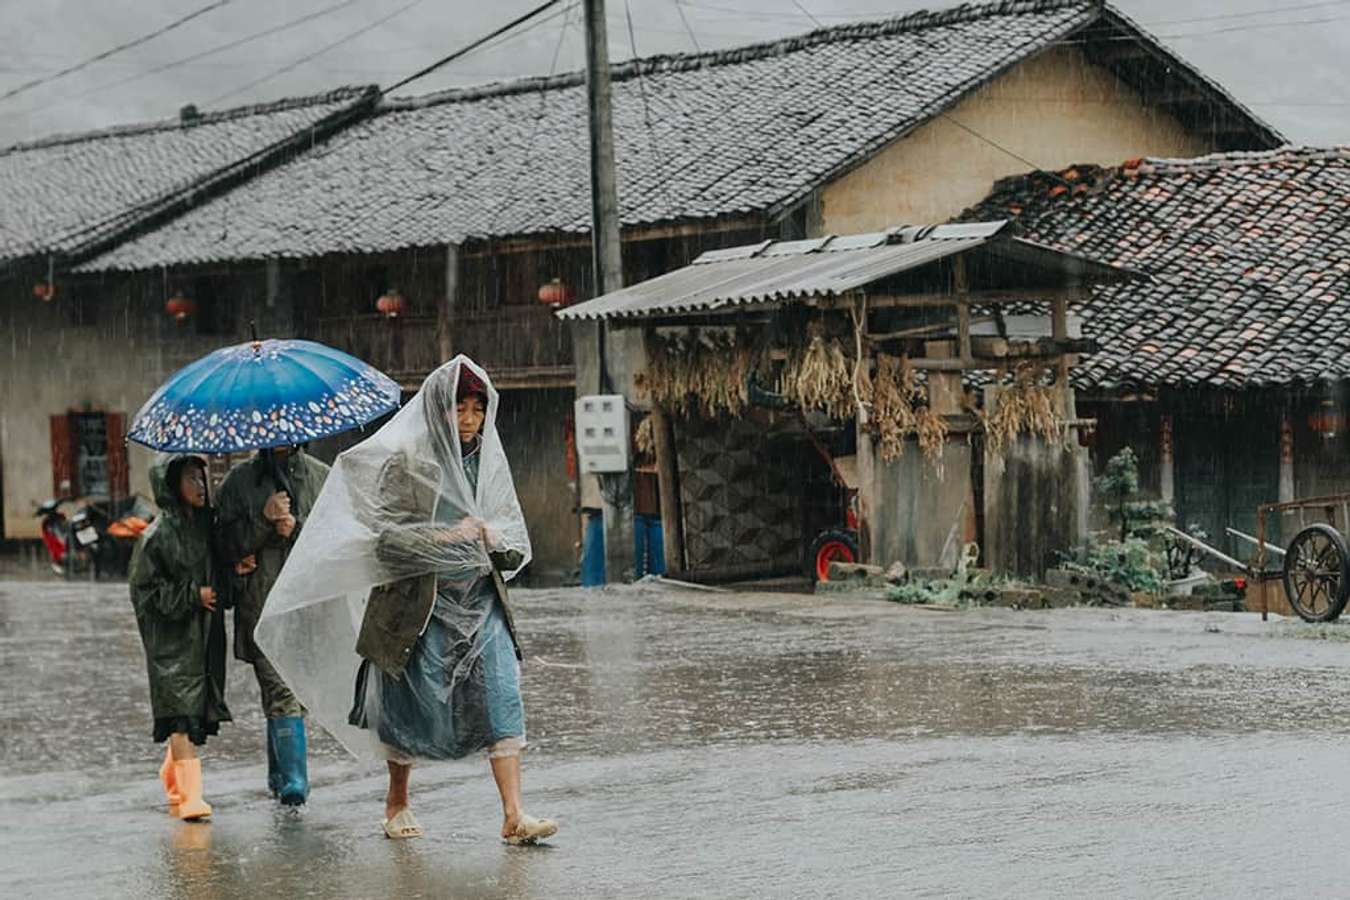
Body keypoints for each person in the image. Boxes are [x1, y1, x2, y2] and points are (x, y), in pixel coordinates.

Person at [252, 357, 556, 845]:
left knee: (502, 699)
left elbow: (513, 541)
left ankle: (514, 813)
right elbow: (387, 542)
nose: (471, 420)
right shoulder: (408, 463)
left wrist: (495, 538)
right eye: (461, 408)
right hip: (419, 609)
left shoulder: (487, 463)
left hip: (481, 604)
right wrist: (447, 537)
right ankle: (397, 802)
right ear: (439, 409)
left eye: (479, 409)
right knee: (408, 712)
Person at [129, 455, 240, 821]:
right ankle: (191, 797)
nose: (201, 486)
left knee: (194, 715)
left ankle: (175, 772)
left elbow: (218, 570)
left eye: (203, 478)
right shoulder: (156, 535)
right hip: (171, 643)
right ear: (172, 484)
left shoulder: (208, 527)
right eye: (192, 478)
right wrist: (192, 596)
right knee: (179, 717)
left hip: (205, 637)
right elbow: (144, 592)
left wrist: (233, 571)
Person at [216, 443, 329, 805]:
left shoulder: (321, 477)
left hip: (307, 602)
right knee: (280, 688)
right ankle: (296, 781)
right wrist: (262, 522)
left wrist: (296, 528)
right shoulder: (238, 483)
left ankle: (279, 775)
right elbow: (224, 545)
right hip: (260, 603)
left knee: (295, 690)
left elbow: (334, 539)